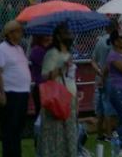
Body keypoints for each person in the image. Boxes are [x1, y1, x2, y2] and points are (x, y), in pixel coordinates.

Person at [39, 22, 80, 157]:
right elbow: (45, 76)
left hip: (70, 97)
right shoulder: (52, 54)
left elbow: (71, 76)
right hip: (58, 98)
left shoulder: (69, 53)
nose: (69, 36)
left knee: (70, 131)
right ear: (58, 36)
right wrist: (61, 66)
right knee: (56, 133)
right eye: (65, 33)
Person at [0, 19, 31, 157]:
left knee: (18, 128)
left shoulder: (19, 48)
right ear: (10, 33)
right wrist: (1, 93)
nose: (21, 33)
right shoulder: (1, 49)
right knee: (10, 129)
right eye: (18, 31)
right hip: (10, 93)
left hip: (22, 93)